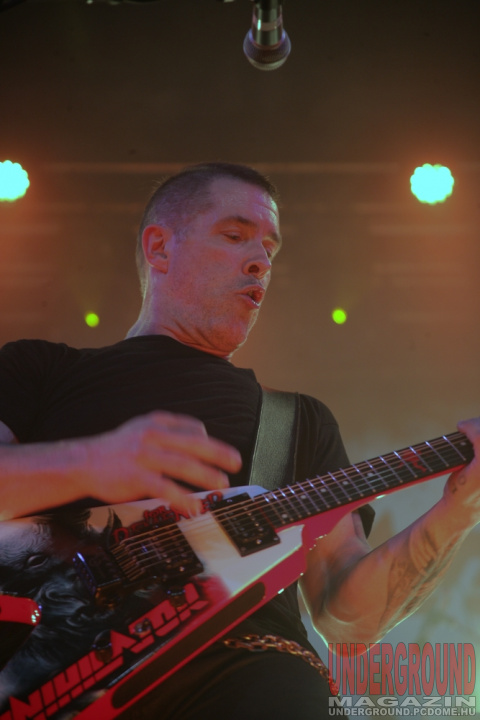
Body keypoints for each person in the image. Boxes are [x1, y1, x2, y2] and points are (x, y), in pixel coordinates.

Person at [0, 162, 478, 719]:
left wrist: (460, 510)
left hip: (254, 676)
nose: (261, 261)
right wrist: (93, 462)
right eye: (235, 236)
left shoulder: (299, 421)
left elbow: (349, 620)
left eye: (270, 249)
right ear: (159, 247)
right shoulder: (40, 370)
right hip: (50, 682)